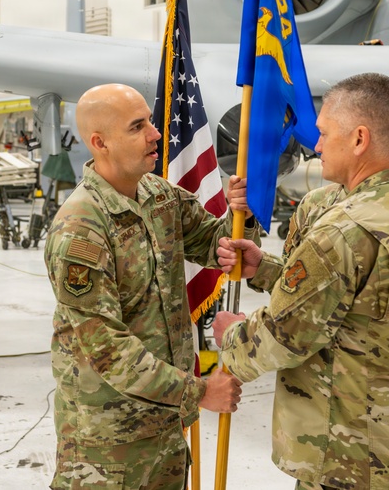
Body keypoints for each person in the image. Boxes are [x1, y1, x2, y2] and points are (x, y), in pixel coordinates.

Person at [213, 73, 389, 490]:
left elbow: (286, 335)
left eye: (322, 133)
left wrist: (232, 336)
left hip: (349, 459)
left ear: (358, 139)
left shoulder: (344, 228)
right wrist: (265, 269)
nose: (316, 146)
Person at [44, 83, 260, 490]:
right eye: (137, 126)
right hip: (109, 443)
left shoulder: (158, 195)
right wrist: (198, 392)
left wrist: (240, 217)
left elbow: (214, 244)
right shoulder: (82, 230)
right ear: (100, 142)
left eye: (151, 122)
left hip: (165, 423)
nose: (156, 134)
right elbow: (107, 350)